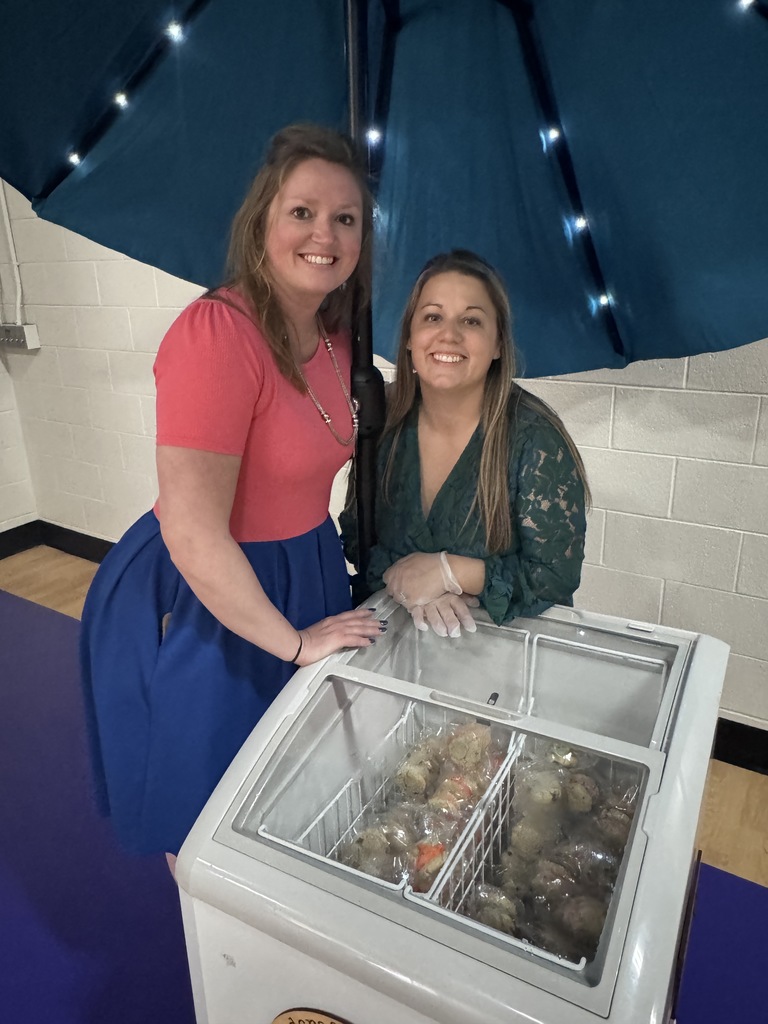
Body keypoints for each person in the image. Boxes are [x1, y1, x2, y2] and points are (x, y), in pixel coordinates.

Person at [80, 124, 384, 863]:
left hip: (306, 566)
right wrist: (295, 642)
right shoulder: (218, 334)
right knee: (207, 808)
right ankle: (213, 959)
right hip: (210, 590)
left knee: (291, 784)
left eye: (346, 218)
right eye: (302, 211)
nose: (325, 234)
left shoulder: (341, 337)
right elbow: (192, 530)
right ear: (262, 222)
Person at [342, 249, 588, 638]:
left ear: (497, 346)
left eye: (471, 320)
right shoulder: (380, 421)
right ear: (409, 337)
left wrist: (451, 573)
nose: (449, 334)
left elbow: (555, 576)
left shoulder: (535, 441)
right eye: (433, 316)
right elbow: (359, 539)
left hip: (495, 657)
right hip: (390, 645)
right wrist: (411, 583)